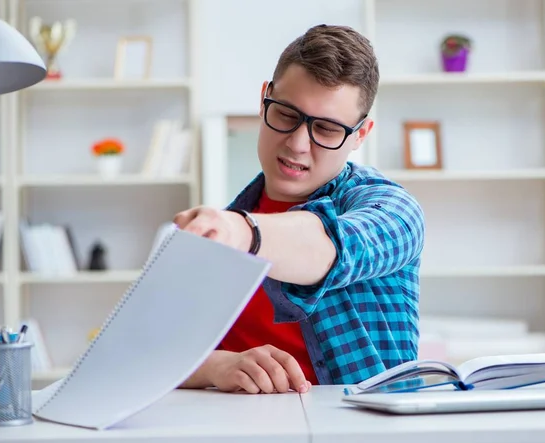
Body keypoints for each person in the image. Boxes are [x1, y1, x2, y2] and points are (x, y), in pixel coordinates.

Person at [175, 24, 425, 395]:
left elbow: (334, 247)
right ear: (264, 100)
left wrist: (243, 234)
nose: (297, 143)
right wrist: (216, 365)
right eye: (287, 115)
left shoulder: (393, 209)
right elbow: (150, 352)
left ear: (360, 135)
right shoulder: (224, 227)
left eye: (325, 129)